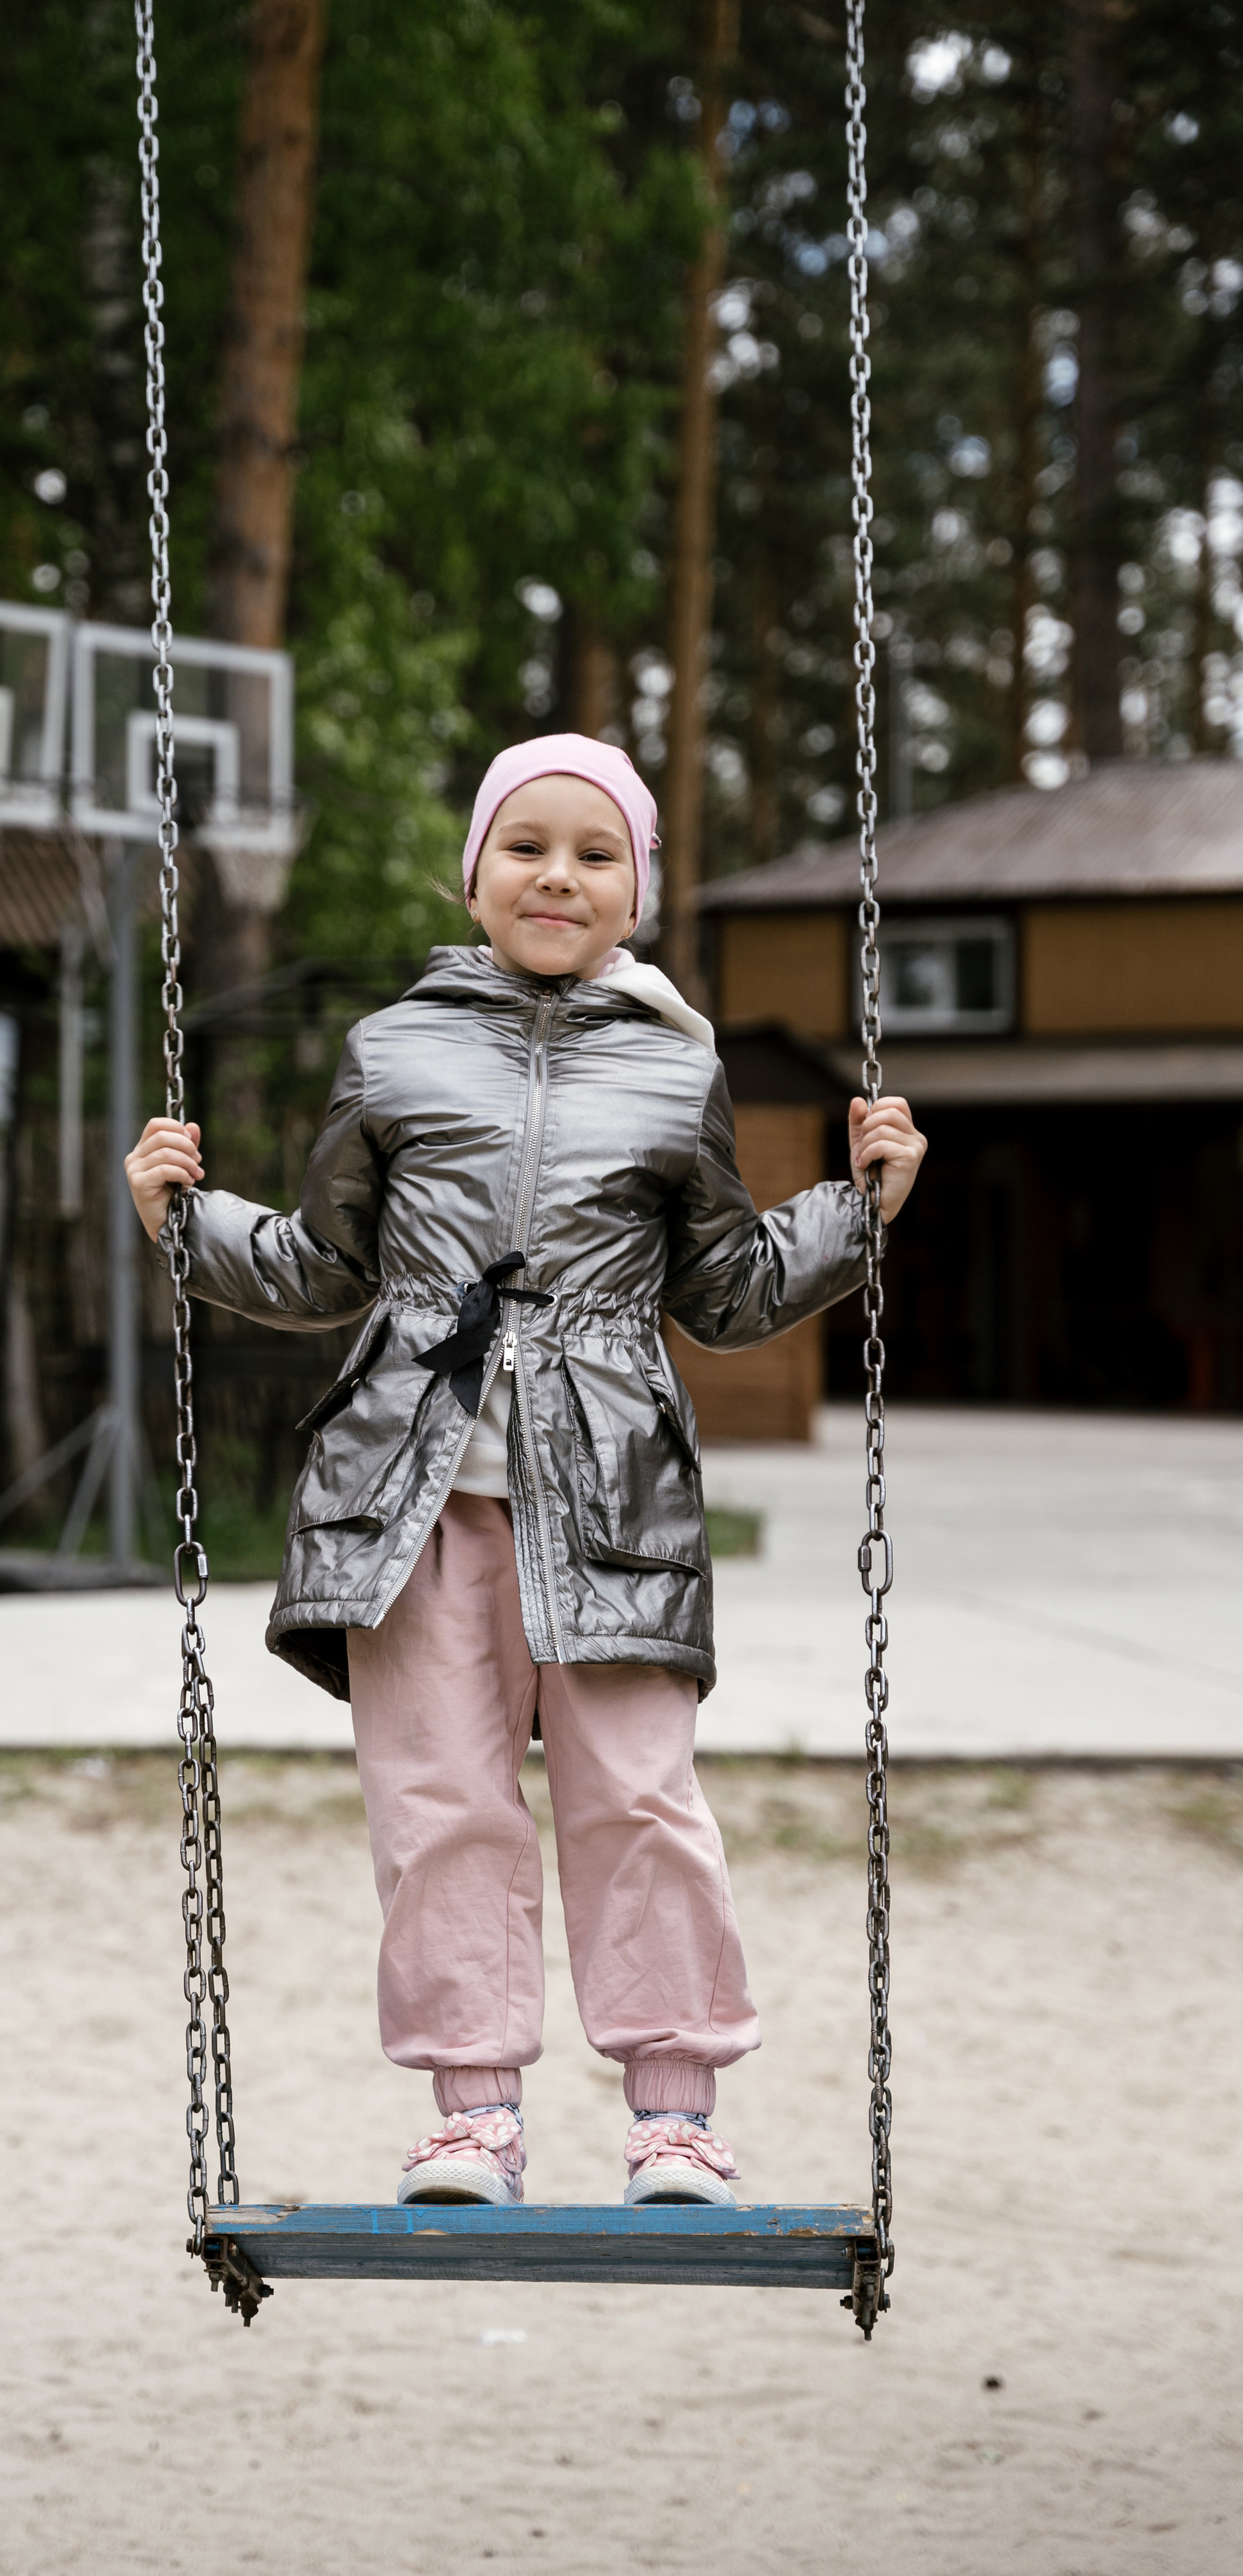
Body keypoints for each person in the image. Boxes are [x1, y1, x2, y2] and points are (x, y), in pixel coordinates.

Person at [127, 735, 926, 2211]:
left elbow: (725, 1290)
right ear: (475, 873)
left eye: (594, 853)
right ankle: (472, 2118)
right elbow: (322, 1267)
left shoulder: (677, 1063)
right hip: (410, 1497)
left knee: (640, 1801)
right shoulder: (392, 1050)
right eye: (526, 846)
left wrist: (854, 1210)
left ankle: (673, 2117)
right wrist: (190, 1219)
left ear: (636, 891)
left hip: (614, 1495)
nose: (557, 876)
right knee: (440, 1805)